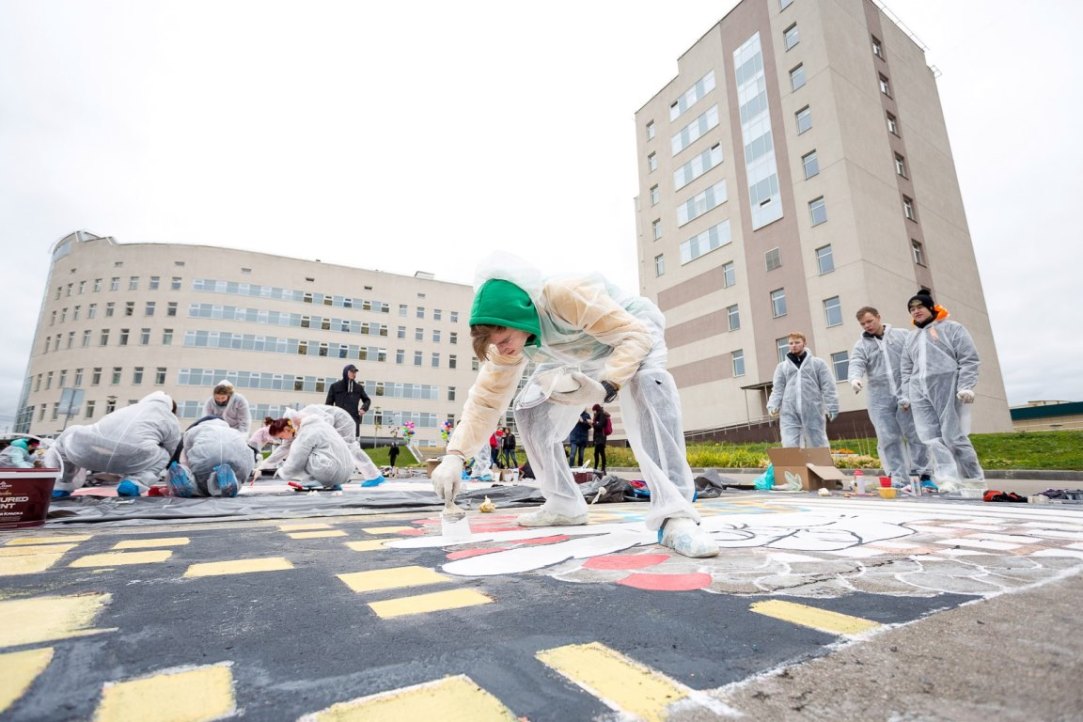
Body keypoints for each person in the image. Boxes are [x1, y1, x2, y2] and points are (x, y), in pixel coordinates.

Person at [430, 256, 718, 558]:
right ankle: (563, 503)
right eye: (494, 345)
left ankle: (676, 515)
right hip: (583, 353)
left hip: (632, 331)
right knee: (530, 408)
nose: (501, 349)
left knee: (648, 386)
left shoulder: (565, 294)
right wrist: (455, 455)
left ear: (520, 315)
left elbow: (633, 336)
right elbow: (486, 400)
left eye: (503, 339)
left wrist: (609, 384)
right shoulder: (509, 346)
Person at [899, 288, 985, 492]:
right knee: (931, 437)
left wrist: (966, 385)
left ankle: (973, 479)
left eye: (920, 307)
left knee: (953, 435)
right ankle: (948, 478)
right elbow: (906, 369)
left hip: (947, 386)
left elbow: (969, 358)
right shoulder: (911, 338)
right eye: (912, 309)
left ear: (930, 307)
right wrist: (905, 394)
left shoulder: (952, 328)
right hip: (919, 390)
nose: (916, 311)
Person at [848, 307, 932, 489]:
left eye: (869, 321)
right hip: (879, 398)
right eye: (863, 324)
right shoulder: (861, 345)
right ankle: (898, 478)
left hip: (907, 392)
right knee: (887, 437)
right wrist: (855, 378)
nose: (867, 326)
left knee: (915, 434)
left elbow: (917, 357)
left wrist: (918, 386)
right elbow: (856, 362)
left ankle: (923, 475)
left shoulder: (901, 335)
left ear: (879, 317)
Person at [46, 391, 181, 497]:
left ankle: (61, 485)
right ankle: (134, 483)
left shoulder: (127, 409)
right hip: (132, 460)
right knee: (164, 454)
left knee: (68, 436)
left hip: (88, 451)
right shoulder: (170, 418)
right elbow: (171, 449)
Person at [766, 332, 839, 448]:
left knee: (817, 442)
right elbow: (778, 389)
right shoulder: (782, 367)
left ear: (804, 343)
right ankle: (794, 466)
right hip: (789, 411)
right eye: (791, 343)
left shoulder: (818, 364)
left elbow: (828, 386)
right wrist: (773, 404)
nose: (793, 345)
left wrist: (832, 406)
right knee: (789, 444)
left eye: (797, 342)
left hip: (812, 409)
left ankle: (820, 466)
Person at [166, 417, 254, 498]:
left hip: (206, 458)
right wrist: (242, 476)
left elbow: (184, 455)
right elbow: (248, 454)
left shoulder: (193, 431)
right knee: (237, 476)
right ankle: (229, 482)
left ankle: (189, 483)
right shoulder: (235, 432)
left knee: (200, 484)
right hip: (234, 461)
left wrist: (183, 467)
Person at [267, 412, 354, 489]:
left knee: (303, 453)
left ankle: (313, 481)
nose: (283, 439)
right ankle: (332, 482)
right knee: (317, 450)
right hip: (347, 473)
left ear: (286, 429)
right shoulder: (323, 425)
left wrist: (281, 472)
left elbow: (296, 461)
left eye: (281, 437)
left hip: (330, 473)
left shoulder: (307, 431)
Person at [325, 364, 370, 437]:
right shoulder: (335, 386)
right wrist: (331, 418)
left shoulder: (358, 388)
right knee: (339, 442)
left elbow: (367, 400)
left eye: (355, 372)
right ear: (346, 372)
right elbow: (328, 404)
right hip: (339, 420)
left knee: (353, 442)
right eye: (352, 372)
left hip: (353, 419)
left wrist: (364, 408)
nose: (354, 374)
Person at [591, 404, 609, 474]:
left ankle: (597, 468)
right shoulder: (598, 415)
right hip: (598, 437)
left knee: (597, 453)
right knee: (600, 453)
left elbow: (600, 425)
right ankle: (602, 469)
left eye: (594, 411)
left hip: (601, 437)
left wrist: (592, 423)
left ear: (597, 409)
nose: (594, 412)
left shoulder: (601, 414)